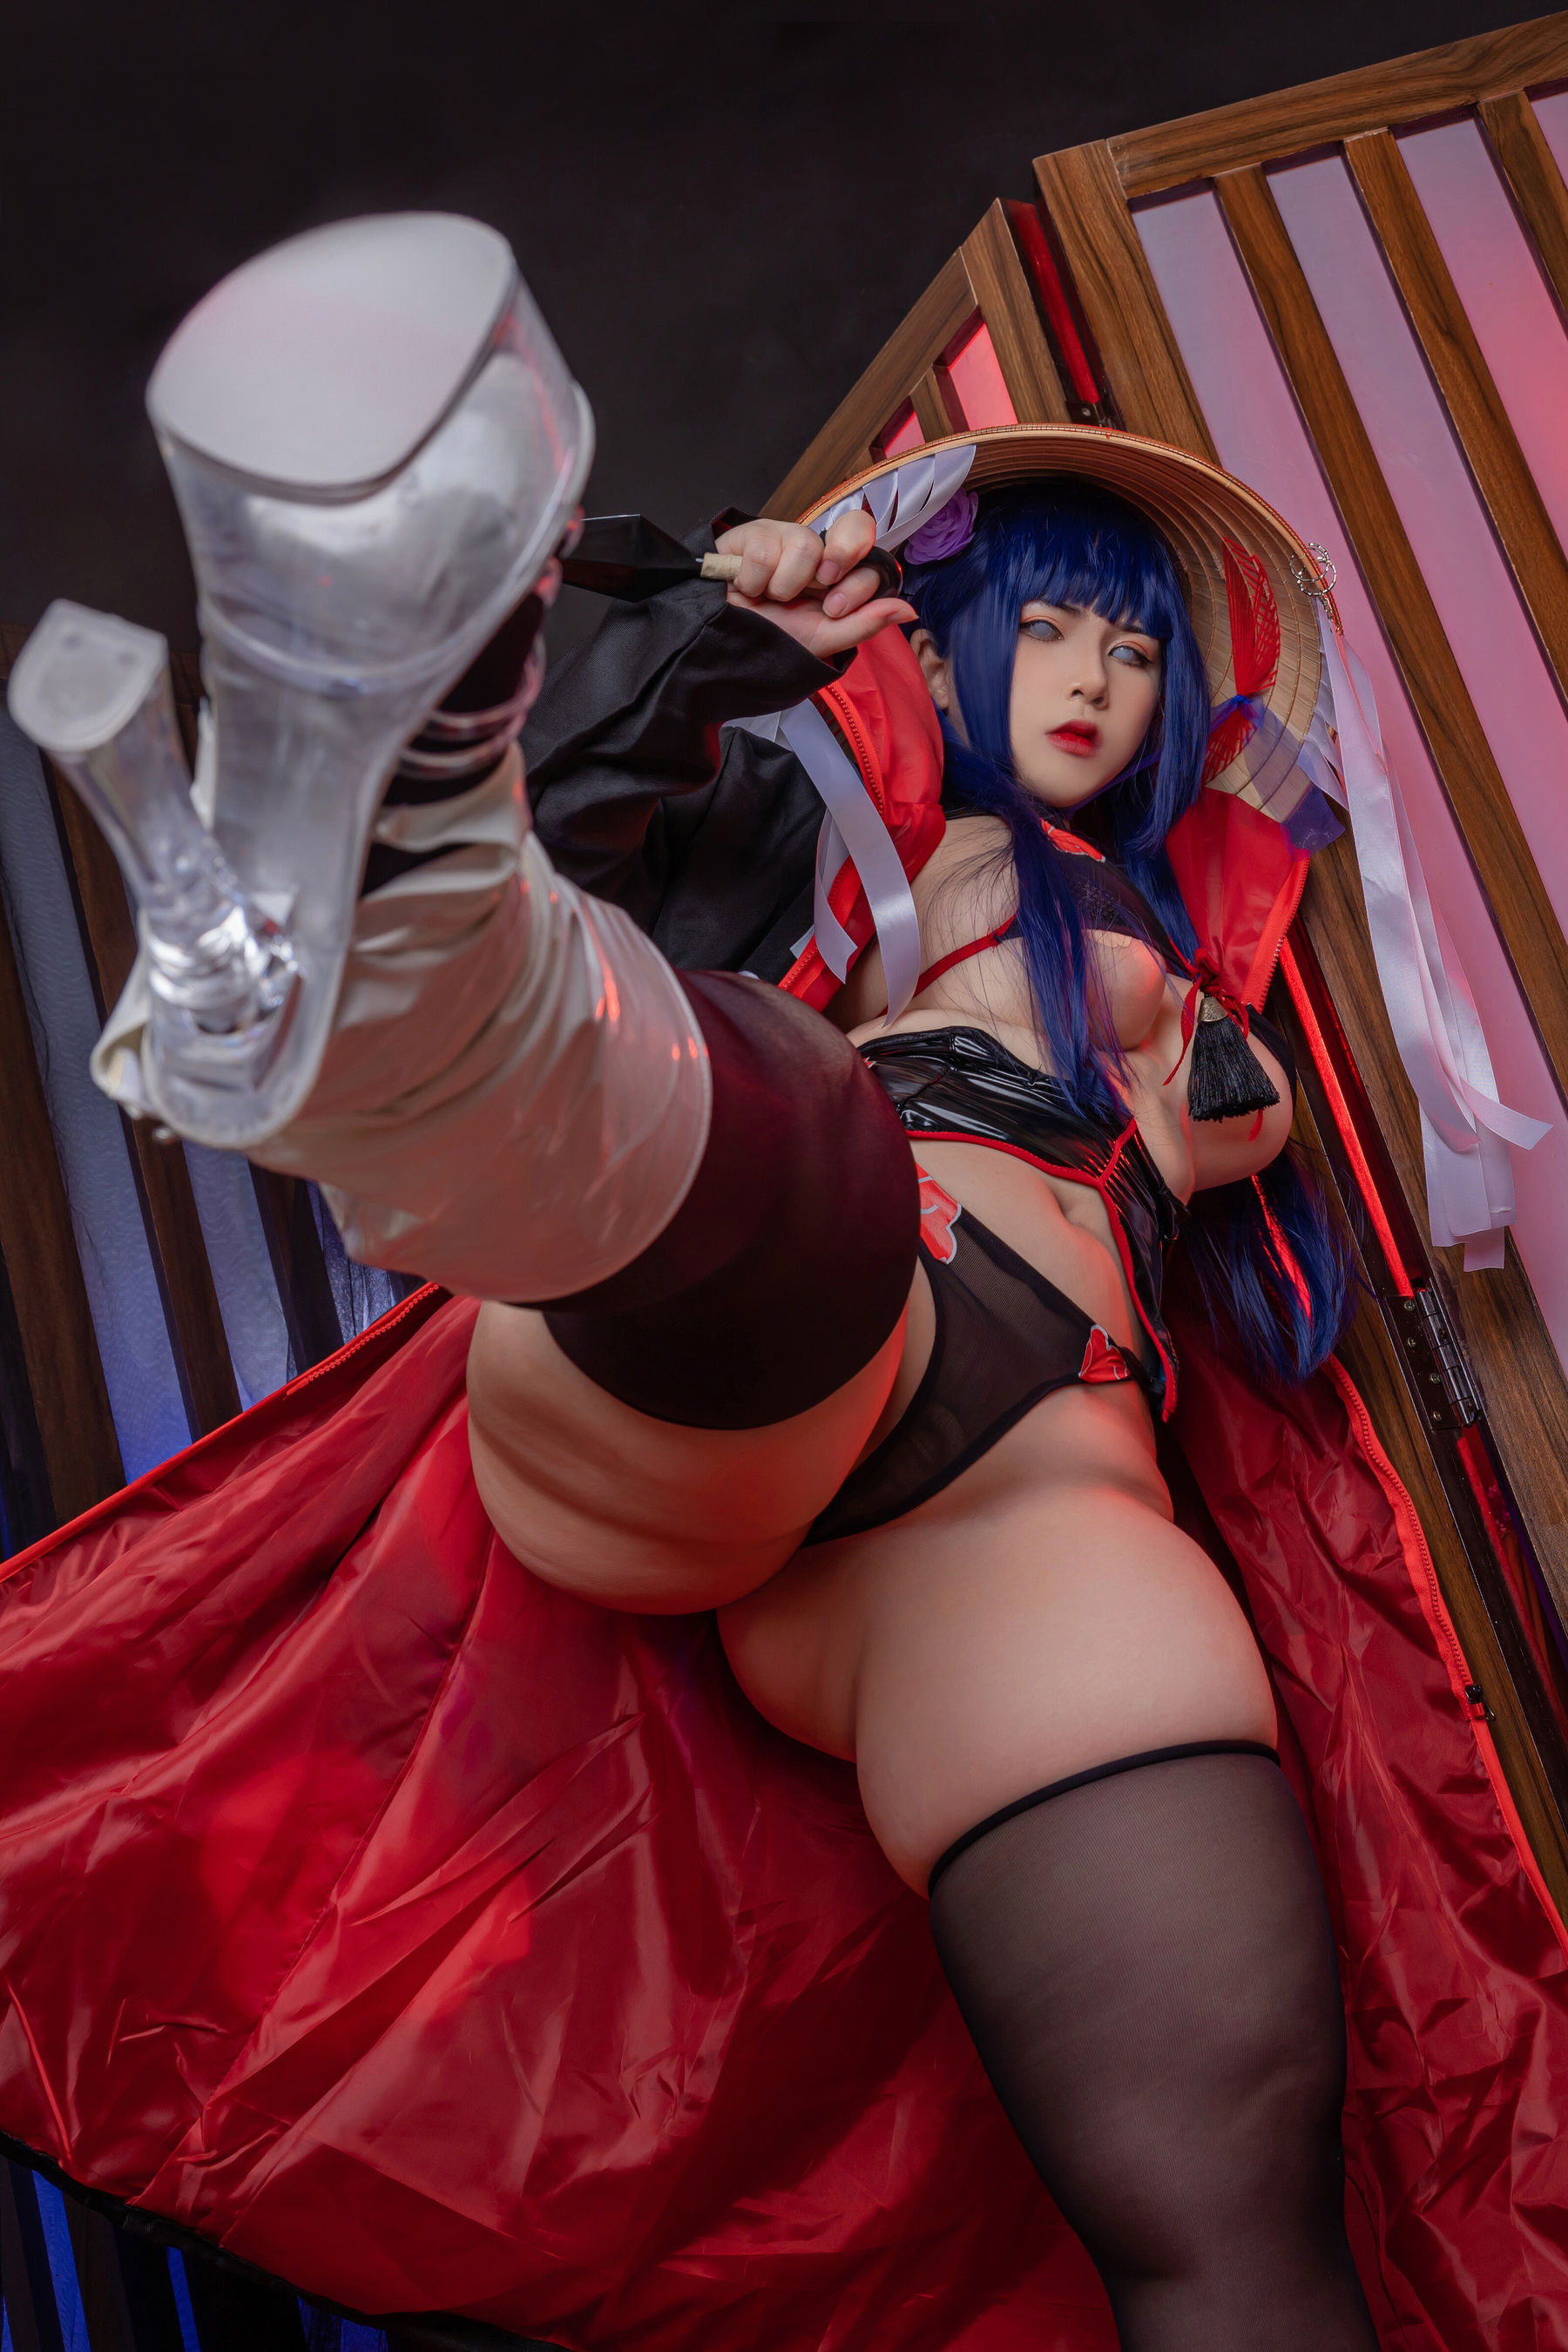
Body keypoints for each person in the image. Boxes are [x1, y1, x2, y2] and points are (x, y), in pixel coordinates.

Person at [7, 220, 1565, 2352]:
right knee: (795, 1132)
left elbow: (1252, 1110)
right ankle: (424, 889)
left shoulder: (1173, 933)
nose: (1095, 680)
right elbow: (654, 835)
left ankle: (393, 955)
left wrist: (1208, 970)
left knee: (1231, 2242)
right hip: (762, 1327)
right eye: (1046, 627)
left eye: (1134, 649)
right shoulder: (846, 830)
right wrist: (722, 644)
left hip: (981, 1565)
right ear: (952, 643)